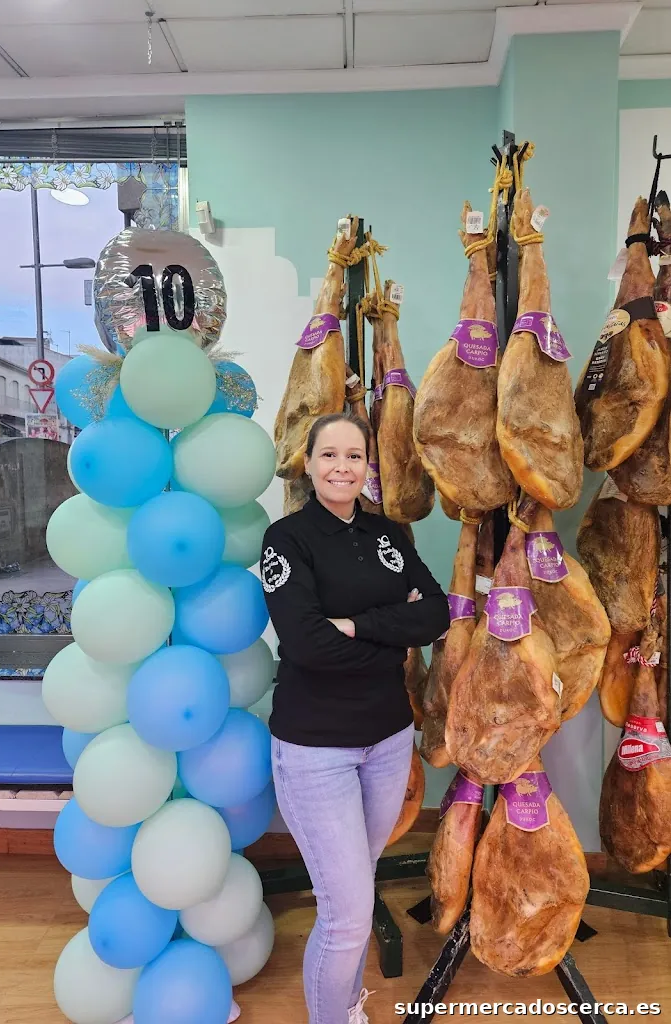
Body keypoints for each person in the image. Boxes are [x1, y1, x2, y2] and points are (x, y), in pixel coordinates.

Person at [260, 412, 450, 1024]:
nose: (342, 467)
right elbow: (307, 645)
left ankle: (345, 1006)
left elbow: (436, 614)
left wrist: (357, 626)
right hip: (317, 749)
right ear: (308, 463)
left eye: (354, 456)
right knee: (345, 916)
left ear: (368, 465)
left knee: (358, 893)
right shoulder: (287, 540)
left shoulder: (388, 534)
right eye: (329, 455)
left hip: (388, 741)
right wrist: (392, 640)